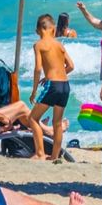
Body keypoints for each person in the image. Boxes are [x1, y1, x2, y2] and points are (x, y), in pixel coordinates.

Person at [29, 13, 74, 162]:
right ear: (52, 28)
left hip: (53, 86)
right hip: (65, 85)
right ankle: (54, 156)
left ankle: (40, 153)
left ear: (38, 30)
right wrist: (57, 75)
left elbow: (37, 68)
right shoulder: (59, 45)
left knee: (33, 118)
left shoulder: (39, 44)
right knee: (57, 123)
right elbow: (71, 66)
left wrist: (34, 90)